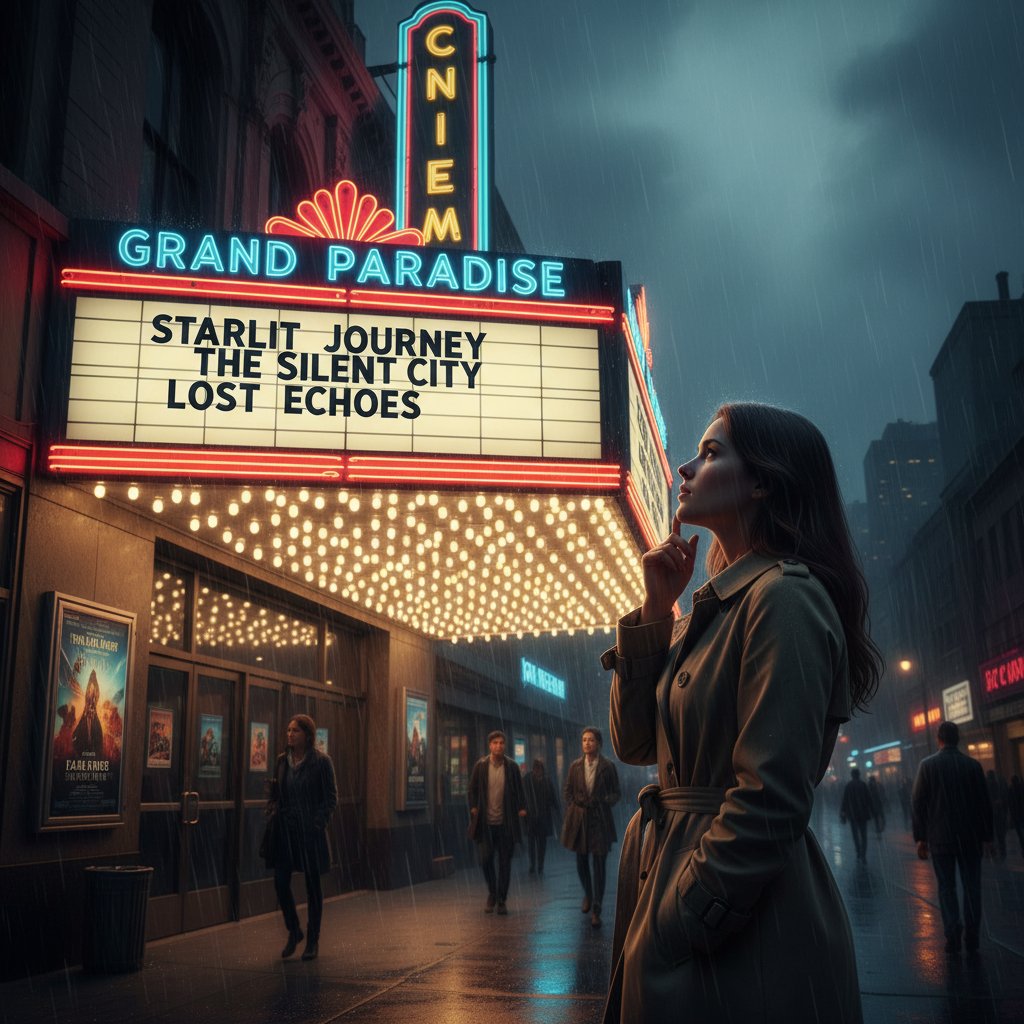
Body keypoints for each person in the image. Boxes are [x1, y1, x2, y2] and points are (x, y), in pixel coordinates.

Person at [600, 402, 881, 1023]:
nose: (684, 466)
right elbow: (637, 744)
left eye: (710, 452)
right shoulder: (720, 606)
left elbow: (772, 798)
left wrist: (683, 919)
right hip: (691, 886)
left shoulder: (784, 597)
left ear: (761, 480)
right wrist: (653, 610)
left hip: (748, 922)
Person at [912, 721, 993, 953]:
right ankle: (972, 934)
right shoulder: (973, 766)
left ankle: (953, 931)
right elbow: (984, 804)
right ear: (958, 739)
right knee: (972, 887)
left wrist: (921, 837)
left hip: (940, 838)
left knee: (946, 887)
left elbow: (918, 803)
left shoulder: (927, 766)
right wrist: (988, 837)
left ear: (939, 739)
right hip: (970, 837)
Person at [266, 714, 338, 961]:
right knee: (280, 881)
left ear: (307, 735)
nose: (289, 734)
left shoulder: (321, 762)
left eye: (295, 730)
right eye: (288, 730)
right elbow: (278, 792)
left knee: (312, 887)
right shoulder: (282, 761)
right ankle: (294, 929)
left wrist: (317, 823)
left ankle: (313, 940)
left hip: (310, 833)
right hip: (286, 831)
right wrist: (274, 805)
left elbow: (330, 798)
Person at [561, 728, 621, 927]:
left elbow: (616, 793)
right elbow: (567, 790)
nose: (587, 743)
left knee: (599, 865)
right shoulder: (575, 766)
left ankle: (597, 907)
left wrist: (604, 801)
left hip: (600, 819)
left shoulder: (608, 766)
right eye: (584, 740)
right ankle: (588, 893)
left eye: (591, 740)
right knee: (581, 861)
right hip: (579, 820)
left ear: (598, 743)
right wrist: (573, 805)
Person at [467, 730, 527, 915]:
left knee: (504, 862)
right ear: (490, 746)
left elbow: (519, 790)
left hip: (505, 823)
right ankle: (492, 892)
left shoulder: (512, 767)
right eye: (495, 743)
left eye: (502, 743)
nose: (499, 746)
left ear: (504, 745)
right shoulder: (481, 766)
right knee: (485, 860)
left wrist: (522, 808)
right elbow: (472, 790)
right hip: (486, 823)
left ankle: (502, 899)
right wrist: (474, 807)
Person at [523, 758, 559, 876]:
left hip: (542, 817)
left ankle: (539, 865)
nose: (538, 772)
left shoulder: (546, 781)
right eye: (536, 770)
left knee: (540, 843)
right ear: (534, 770)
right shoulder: (528, 780)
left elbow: (553, 798)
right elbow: (522, 796)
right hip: (532, 817)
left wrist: (557, 810)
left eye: (540, 770)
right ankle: (534, 865)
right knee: (533, 843)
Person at [840, 768, 874, 861]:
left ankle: (858, 851)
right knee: (864, 835)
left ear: (852, 775)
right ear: (859, 775)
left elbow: (845, 800)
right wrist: (873, 811)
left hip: (853, 815)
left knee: (855, 835)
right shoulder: (863, 785)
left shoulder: (849, 786)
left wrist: (843, 812)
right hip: (863, 814)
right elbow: (869, 799)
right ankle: (863, 853)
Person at [986, 770, 1009, 862]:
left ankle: (994, 852)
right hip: (997, 814)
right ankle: (1001, 852)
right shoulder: (997, 785)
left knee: (994, 835)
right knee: (999, 835)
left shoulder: (988, 785)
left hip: (992, 814)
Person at [1009, 775, 1024, 858]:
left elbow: (1011, 804)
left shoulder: (1011, 790)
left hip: (1017, 815)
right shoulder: (1022, 788)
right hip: (1021, 814)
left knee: (1020, 834)